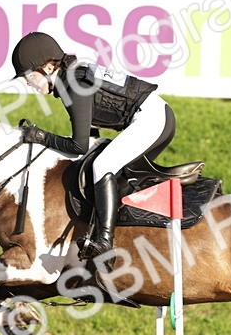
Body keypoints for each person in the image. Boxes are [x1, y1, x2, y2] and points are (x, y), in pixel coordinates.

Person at [11, 32, 176, 260]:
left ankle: (104, 242)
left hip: (153, 120)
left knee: (103, 165)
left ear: (49, 67)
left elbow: (78, 145)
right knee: (101, 166)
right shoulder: (71, 78)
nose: (29, 84)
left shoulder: (74, 84)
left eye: (29, 76)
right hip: (155, 117)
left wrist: (40, 136)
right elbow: (88, 140)